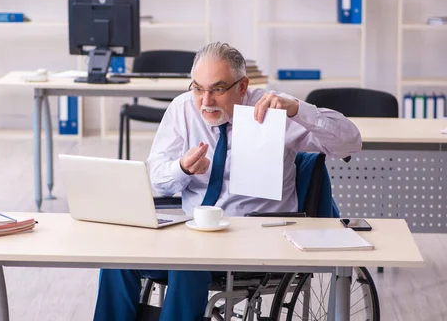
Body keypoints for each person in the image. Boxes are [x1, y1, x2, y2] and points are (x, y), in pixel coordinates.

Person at [93, 42, 362, 321]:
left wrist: (296, 109)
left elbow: (350, 142)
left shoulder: (274, 110)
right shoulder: (183, 109)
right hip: (192, 234)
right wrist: (181, 169)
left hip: (256, 238)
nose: (205, 101)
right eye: (198, 88)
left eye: (218, 89)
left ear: (243, 86)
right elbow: (156, 179)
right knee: (118, 259)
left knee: (187, 264)